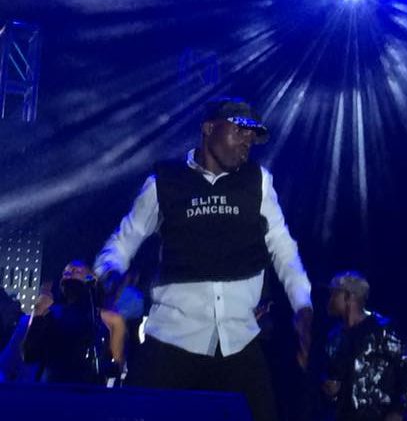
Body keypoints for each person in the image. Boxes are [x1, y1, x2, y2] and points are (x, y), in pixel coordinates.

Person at [94, 97, 313, 421]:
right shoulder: (164, 182)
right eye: (239, 131)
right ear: (209, 128)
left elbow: (283, 247)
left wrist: (303, 304)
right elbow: (121, 243)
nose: (247, 142)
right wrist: (111, 275)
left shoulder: (258, 181)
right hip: (172, 337)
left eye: (251, 137)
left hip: (238, 339)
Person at [320, 271, 407, 421]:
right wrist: (330, 390)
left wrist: (398, 410)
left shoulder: (382, 331)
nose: (330, 300)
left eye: (334, 294)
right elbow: (329, 374)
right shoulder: (335, 336)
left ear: (348, 297)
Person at [21, 261, 125, 384]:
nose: (69, 275)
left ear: (91, 279)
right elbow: (28, 354)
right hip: (52, 385)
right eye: (65, 273)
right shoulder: (49, 313)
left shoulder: (108, 319)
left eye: (76, 271)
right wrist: (38, 313)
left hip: (88, 388)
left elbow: (116, 366)